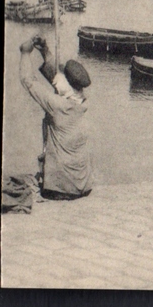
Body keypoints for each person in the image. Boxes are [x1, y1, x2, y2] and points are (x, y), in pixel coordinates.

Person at [18, 35, 93, 200]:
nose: (57, 77)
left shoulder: (57, 106)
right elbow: (58, 78)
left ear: (65, 84)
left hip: (62, 189)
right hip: (83, 185)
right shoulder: (82, 103)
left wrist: (25, 53)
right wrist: (45, 51)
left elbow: (27, 80)